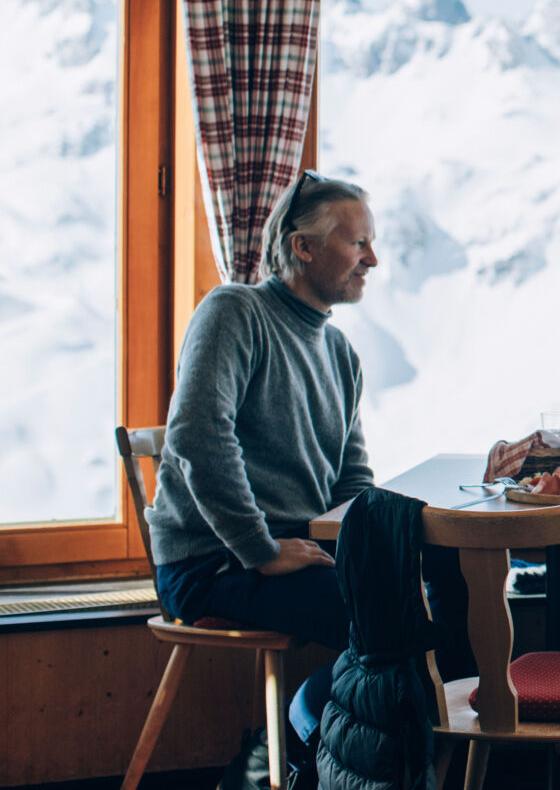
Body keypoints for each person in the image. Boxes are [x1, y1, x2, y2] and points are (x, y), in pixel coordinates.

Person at [145, 172, 468, 778]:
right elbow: (197, 436)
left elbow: (352, 480)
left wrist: (386, 548)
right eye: (358, 243)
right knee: (387, 622)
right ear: (305, 247)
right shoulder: (235, 311)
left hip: (296, 546)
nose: (373, 258)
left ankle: (338, 743)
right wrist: (259, 549)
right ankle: (303, 748)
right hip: (212, 563)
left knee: (451, 593)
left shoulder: (340, 351)